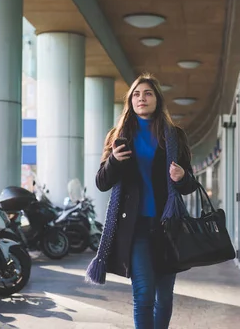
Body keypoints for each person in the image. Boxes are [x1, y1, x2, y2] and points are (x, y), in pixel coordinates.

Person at [85, 73, 198, 329]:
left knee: (164, 297)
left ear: (157, 99)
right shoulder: (118, 136)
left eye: (147, 93)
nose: (141, 98)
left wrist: (181, 177)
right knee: (144, 295)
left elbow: (190, 185)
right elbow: (102, 183)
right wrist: (113, 160)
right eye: (136, 94)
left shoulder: (174, 136)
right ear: (130, 101)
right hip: (135, 229)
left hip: (168, 227)